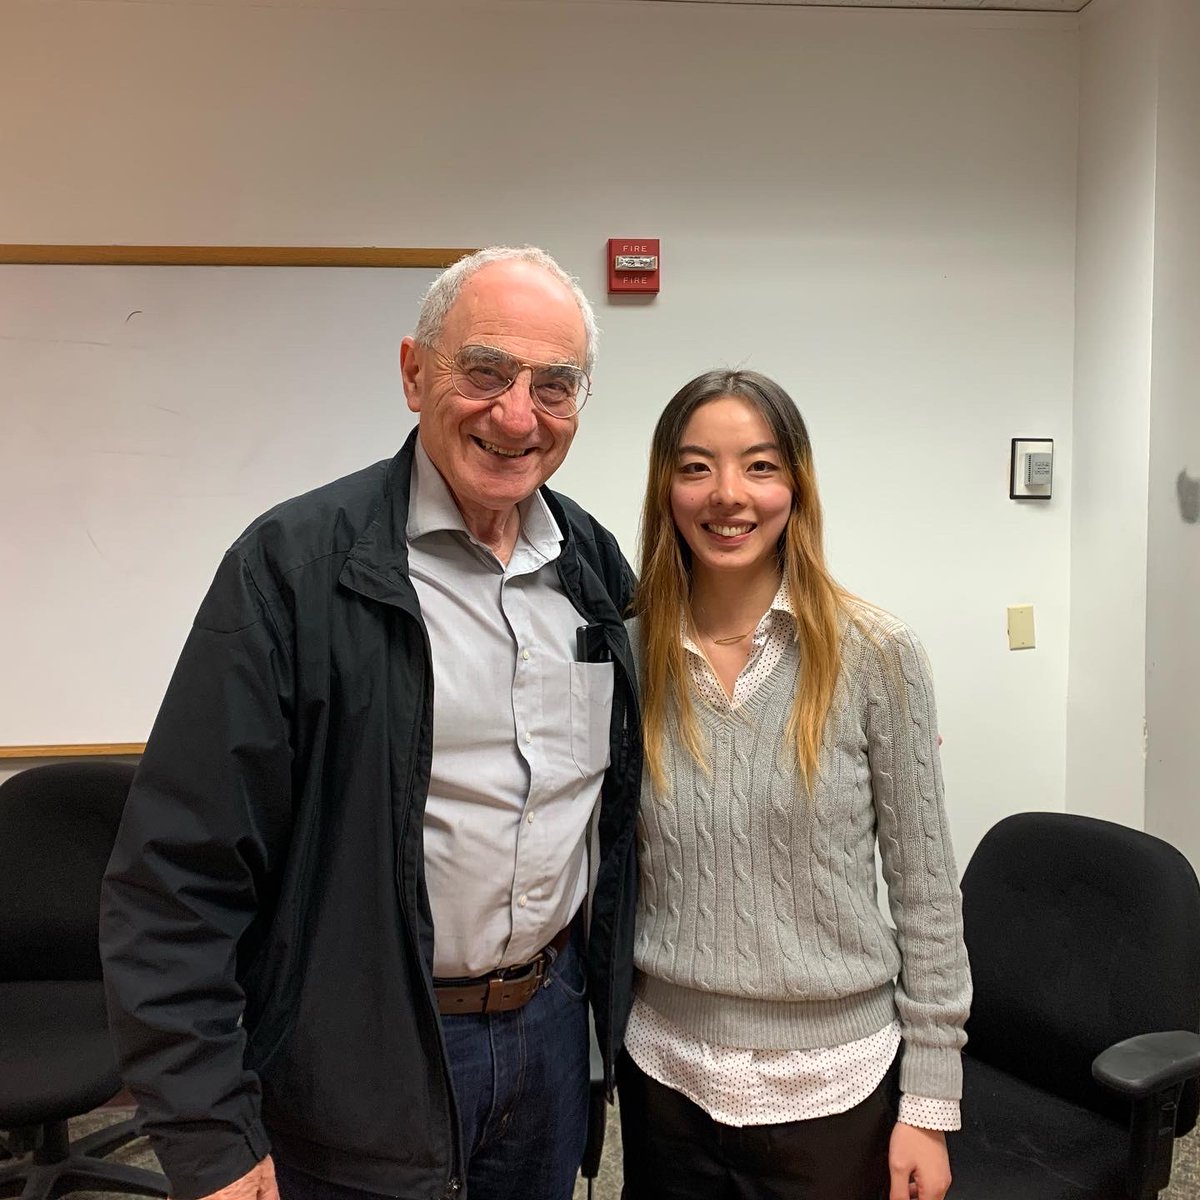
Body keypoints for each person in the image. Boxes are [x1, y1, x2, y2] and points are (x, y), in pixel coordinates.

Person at [99, 247, 642, 1200]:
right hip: (359, 1054)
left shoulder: (593, 570)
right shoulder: (292, 569)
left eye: (554, 387)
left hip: (551, 1035)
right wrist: (208, 1132)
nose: (518, 416)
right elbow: (175, 877)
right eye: (485, 372)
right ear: (413, 372)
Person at [618, 369, 971, 1200]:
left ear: (797, 485)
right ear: (666, 487)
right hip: (665, 1077)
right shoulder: (626, 655)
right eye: (697, 466)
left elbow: (926, 896)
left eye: (760, 466)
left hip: (835, 1086)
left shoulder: (878, 655)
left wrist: (931, 1100)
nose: (728, 495)